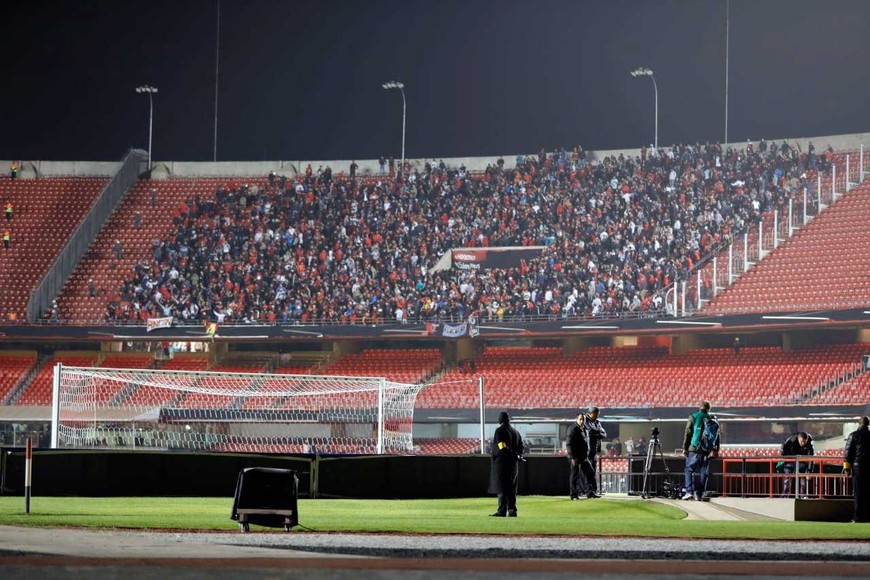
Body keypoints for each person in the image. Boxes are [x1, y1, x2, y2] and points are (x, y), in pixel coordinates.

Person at [682, 401, 720, 501]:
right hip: (706, 451)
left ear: (700, 407)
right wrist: (716, 449)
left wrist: (685, 448)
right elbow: (717, 436)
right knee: (703, 472)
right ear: (709, 409)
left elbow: (688, 433)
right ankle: (700, 494)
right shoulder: (713, 419)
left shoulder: (694, 416)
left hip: (694, 448)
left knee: (689, 470)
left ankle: (689, 491)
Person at [489, 411, 524, 517]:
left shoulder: (500, 431)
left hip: (502, 463)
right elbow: (521, 448)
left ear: (501, 419)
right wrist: (517, 456)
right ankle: (512, 510)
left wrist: (512, 454)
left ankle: (502, 510)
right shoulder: (516, 432)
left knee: (502, 487)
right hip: (513, 465)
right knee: (512, 488)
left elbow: (502, 447)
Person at [566, 412, 600, 499]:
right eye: (580, 419)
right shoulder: (573, 429)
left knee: (590, 473)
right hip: (576, 456)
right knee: (574, 475)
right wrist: (573, 457)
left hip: (584, 456)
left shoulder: (585, 429)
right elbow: (569, 444)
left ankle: (590, 492)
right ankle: (573, 495)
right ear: (577, 419)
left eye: (583, 419)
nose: (582, 421)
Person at [844, 416, 870, 523]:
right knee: (868, 492)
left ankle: (858, 517)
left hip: (857, 467)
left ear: (859, 424)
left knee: (858, 493)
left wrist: (847, 468)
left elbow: (847, 453)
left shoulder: (853, 435)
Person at [778, 432, 814, 497]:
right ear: (798, 439)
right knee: (787, 479)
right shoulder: (791, 440)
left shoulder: (809, 442)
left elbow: (810, 457)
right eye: (801, 442)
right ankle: (785, 495)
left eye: (804, 442)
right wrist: (785, 458)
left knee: (803, 477)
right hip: (790, 460)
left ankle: (803, 495)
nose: (803, 444)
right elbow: (783, 449)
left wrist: (809, 471)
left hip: (801, 462)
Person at [583, 406, 607, 495]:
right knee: (588, 471)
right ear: (590, 413)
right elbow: (591, 431)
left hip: (594, 450)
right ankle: (587, 490)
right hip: (587, 450)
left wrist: (597, 433)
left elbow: (604, 434)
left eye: (598, 414)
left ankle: (592, 490)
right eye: (595, 414)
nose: (597, 416)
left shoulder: (597, 422)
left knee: (593, 471)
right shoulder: (585, 420)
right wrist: (598, 432)